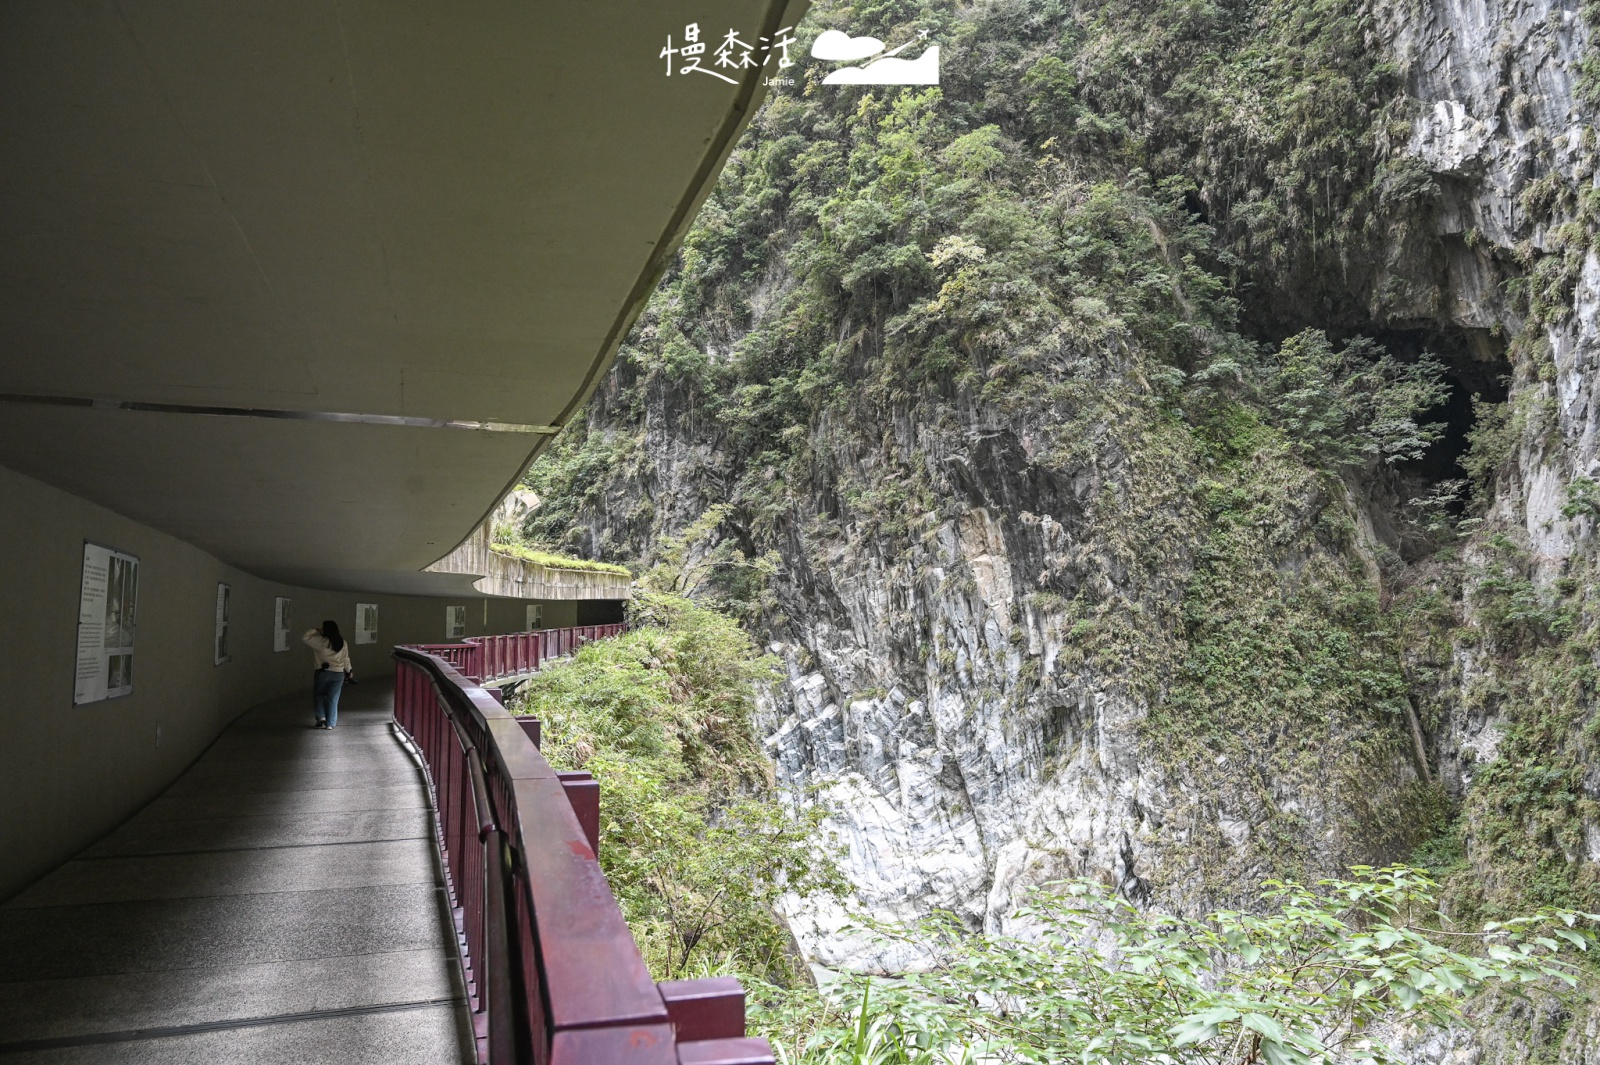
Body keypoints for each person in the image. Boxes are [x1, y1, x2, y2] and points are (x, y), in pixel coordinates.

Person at [302, 621, 351, 729]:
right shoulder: (343, 642)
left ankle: (321, 718)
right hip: (338, 674)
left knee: (319, 694)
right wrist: (349, 671)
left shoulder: (321, 642)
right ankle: (330, 723)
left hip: (323, 673)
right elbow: (346, 659)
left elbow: (305, 637)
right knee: (333, 699)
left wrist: (316, 630)